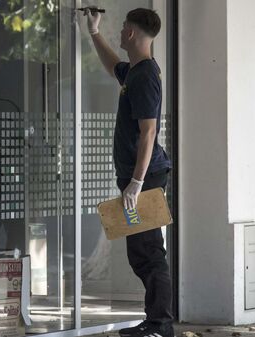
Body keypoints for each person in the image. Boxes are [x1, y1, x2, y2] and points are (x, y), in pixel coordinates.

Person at [83, 7, 174, 337]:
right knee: (141, 253)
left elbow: (149, 132)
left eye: (122, 29)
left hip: (146, 179)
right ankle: (154, 321)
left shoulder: (146, 76)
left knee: (149, 253)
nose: (119, 33)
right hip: (139, 179)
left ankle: (160, 325)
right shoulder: (135, 72)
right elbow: (112, 67)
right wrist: (94, 32)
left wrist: (136, 183)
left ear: (132, 34)